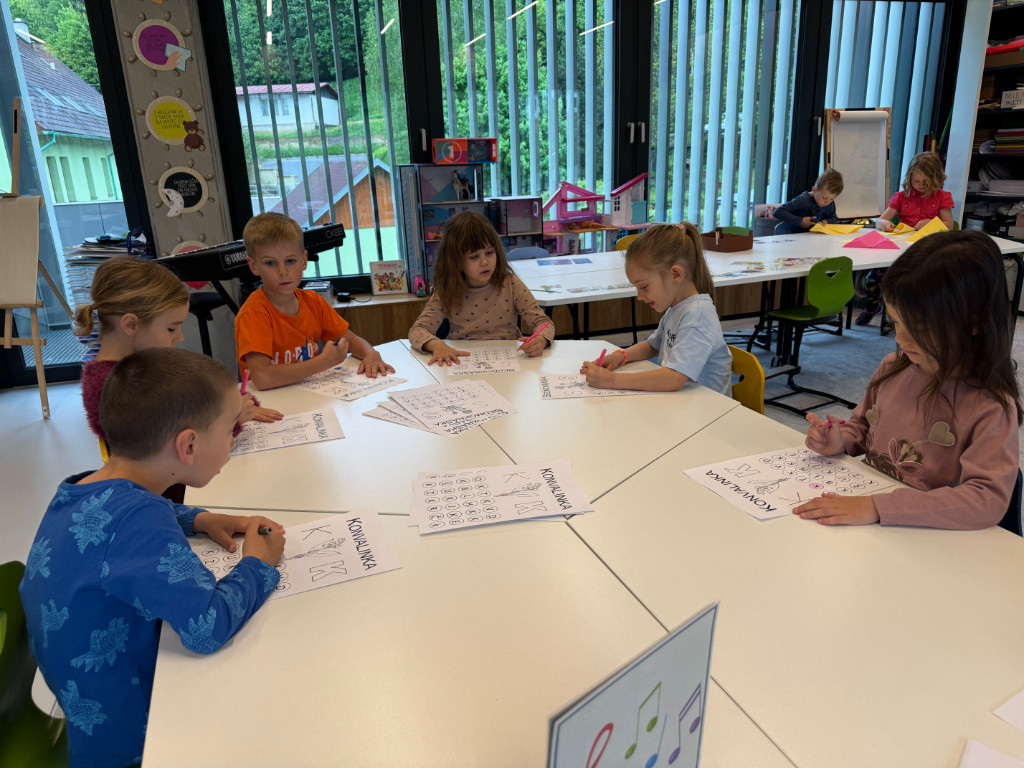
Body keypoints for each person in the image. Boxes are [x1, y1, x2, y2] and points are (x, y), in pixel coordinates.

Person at [19, 347, 286, 767]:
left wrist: (199, 519)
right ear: (189, 445)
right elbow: (207, 628)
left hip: (82, 706)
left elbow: (122, 519)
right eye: (229, 429)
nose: (234, 439)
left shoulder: (81, 488)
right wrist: (258, 563)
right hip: (129, 741)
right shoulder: (139, 523)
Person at [795, 230, 1021, 530]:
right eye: (897, 322)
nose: (901, 338)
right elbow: (863, 427)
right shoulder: (893, 367)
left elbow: (986, 500)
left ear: (973, 323)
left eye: (920, 328)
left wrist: (879, 507)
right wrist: (840, 441)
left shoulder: (990, 405)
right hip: (877, 521)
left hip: (929, 537)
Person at [75, 256, 282, 477]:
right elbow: (180, 449)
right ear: (131, 324)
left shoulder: (142, 363)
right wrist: (234, 419)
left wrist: (234, 405)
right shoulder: (116, 388)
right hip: (170, 489)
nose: (180, 337)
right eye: (171, 329)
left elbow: (196, 398)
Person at [235, 212, 394, 389]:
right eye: (270, 263)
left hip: (306, 393)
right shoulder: (254, 313)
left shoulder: (313, 302)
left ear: (304, 261)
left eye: (290, 261)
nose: (283, 271)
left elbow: (349, 339)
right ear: (254, 266)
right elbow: (262, 378)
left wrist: (370, 353)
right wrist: (323, 362)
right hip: (268, 401)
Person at [579, 222, 731, 394]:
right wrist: (620, 356)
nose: (639, 296)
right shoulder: (678, 307)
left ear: (675, 274)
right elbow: (652, 345)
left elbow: (675, 378)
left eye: (644, 287)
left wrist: (612, 380)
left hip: (709, 406)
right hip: (683, 401)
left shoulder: (697, 316)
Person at [408, 210, 555, 364]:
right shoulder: (447, 289)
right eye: (474, 257)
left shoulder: (511, 284)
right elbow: (417, 331)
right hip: (463, 362)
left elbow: (544, 323)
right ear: (455, 260)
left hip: (508, 362)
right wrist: (436, 344)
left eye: (489, 253)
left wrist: (540, 340)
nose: (484, 262)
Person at [860, 153, 955, 325]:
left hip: (926, 252)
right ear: (909, 178)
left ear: (936, 179)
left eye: (926, 182)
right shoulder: (901, 196)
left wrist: (932, 222)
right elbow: (880, 221)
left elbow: (949, 225)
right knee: (871, 279)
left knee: (916, 284)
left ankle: (912, 317)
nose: (920, 186)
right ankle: (872, 307)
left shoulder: (943, 196)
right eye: (916, 181)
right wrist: (884, 224)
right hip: (898, 251)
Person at [772, 169, 844, 235]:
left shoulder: (829, 203)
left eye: (832, 199)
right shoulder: (803, 200)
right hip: (795, 237)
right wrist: (800, 221)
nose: (827, 202)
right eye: (824, 198)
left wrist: (827, 221)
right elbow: (778, 211)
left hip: (813, 238)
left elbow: (834, 218)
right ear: (814, 190)